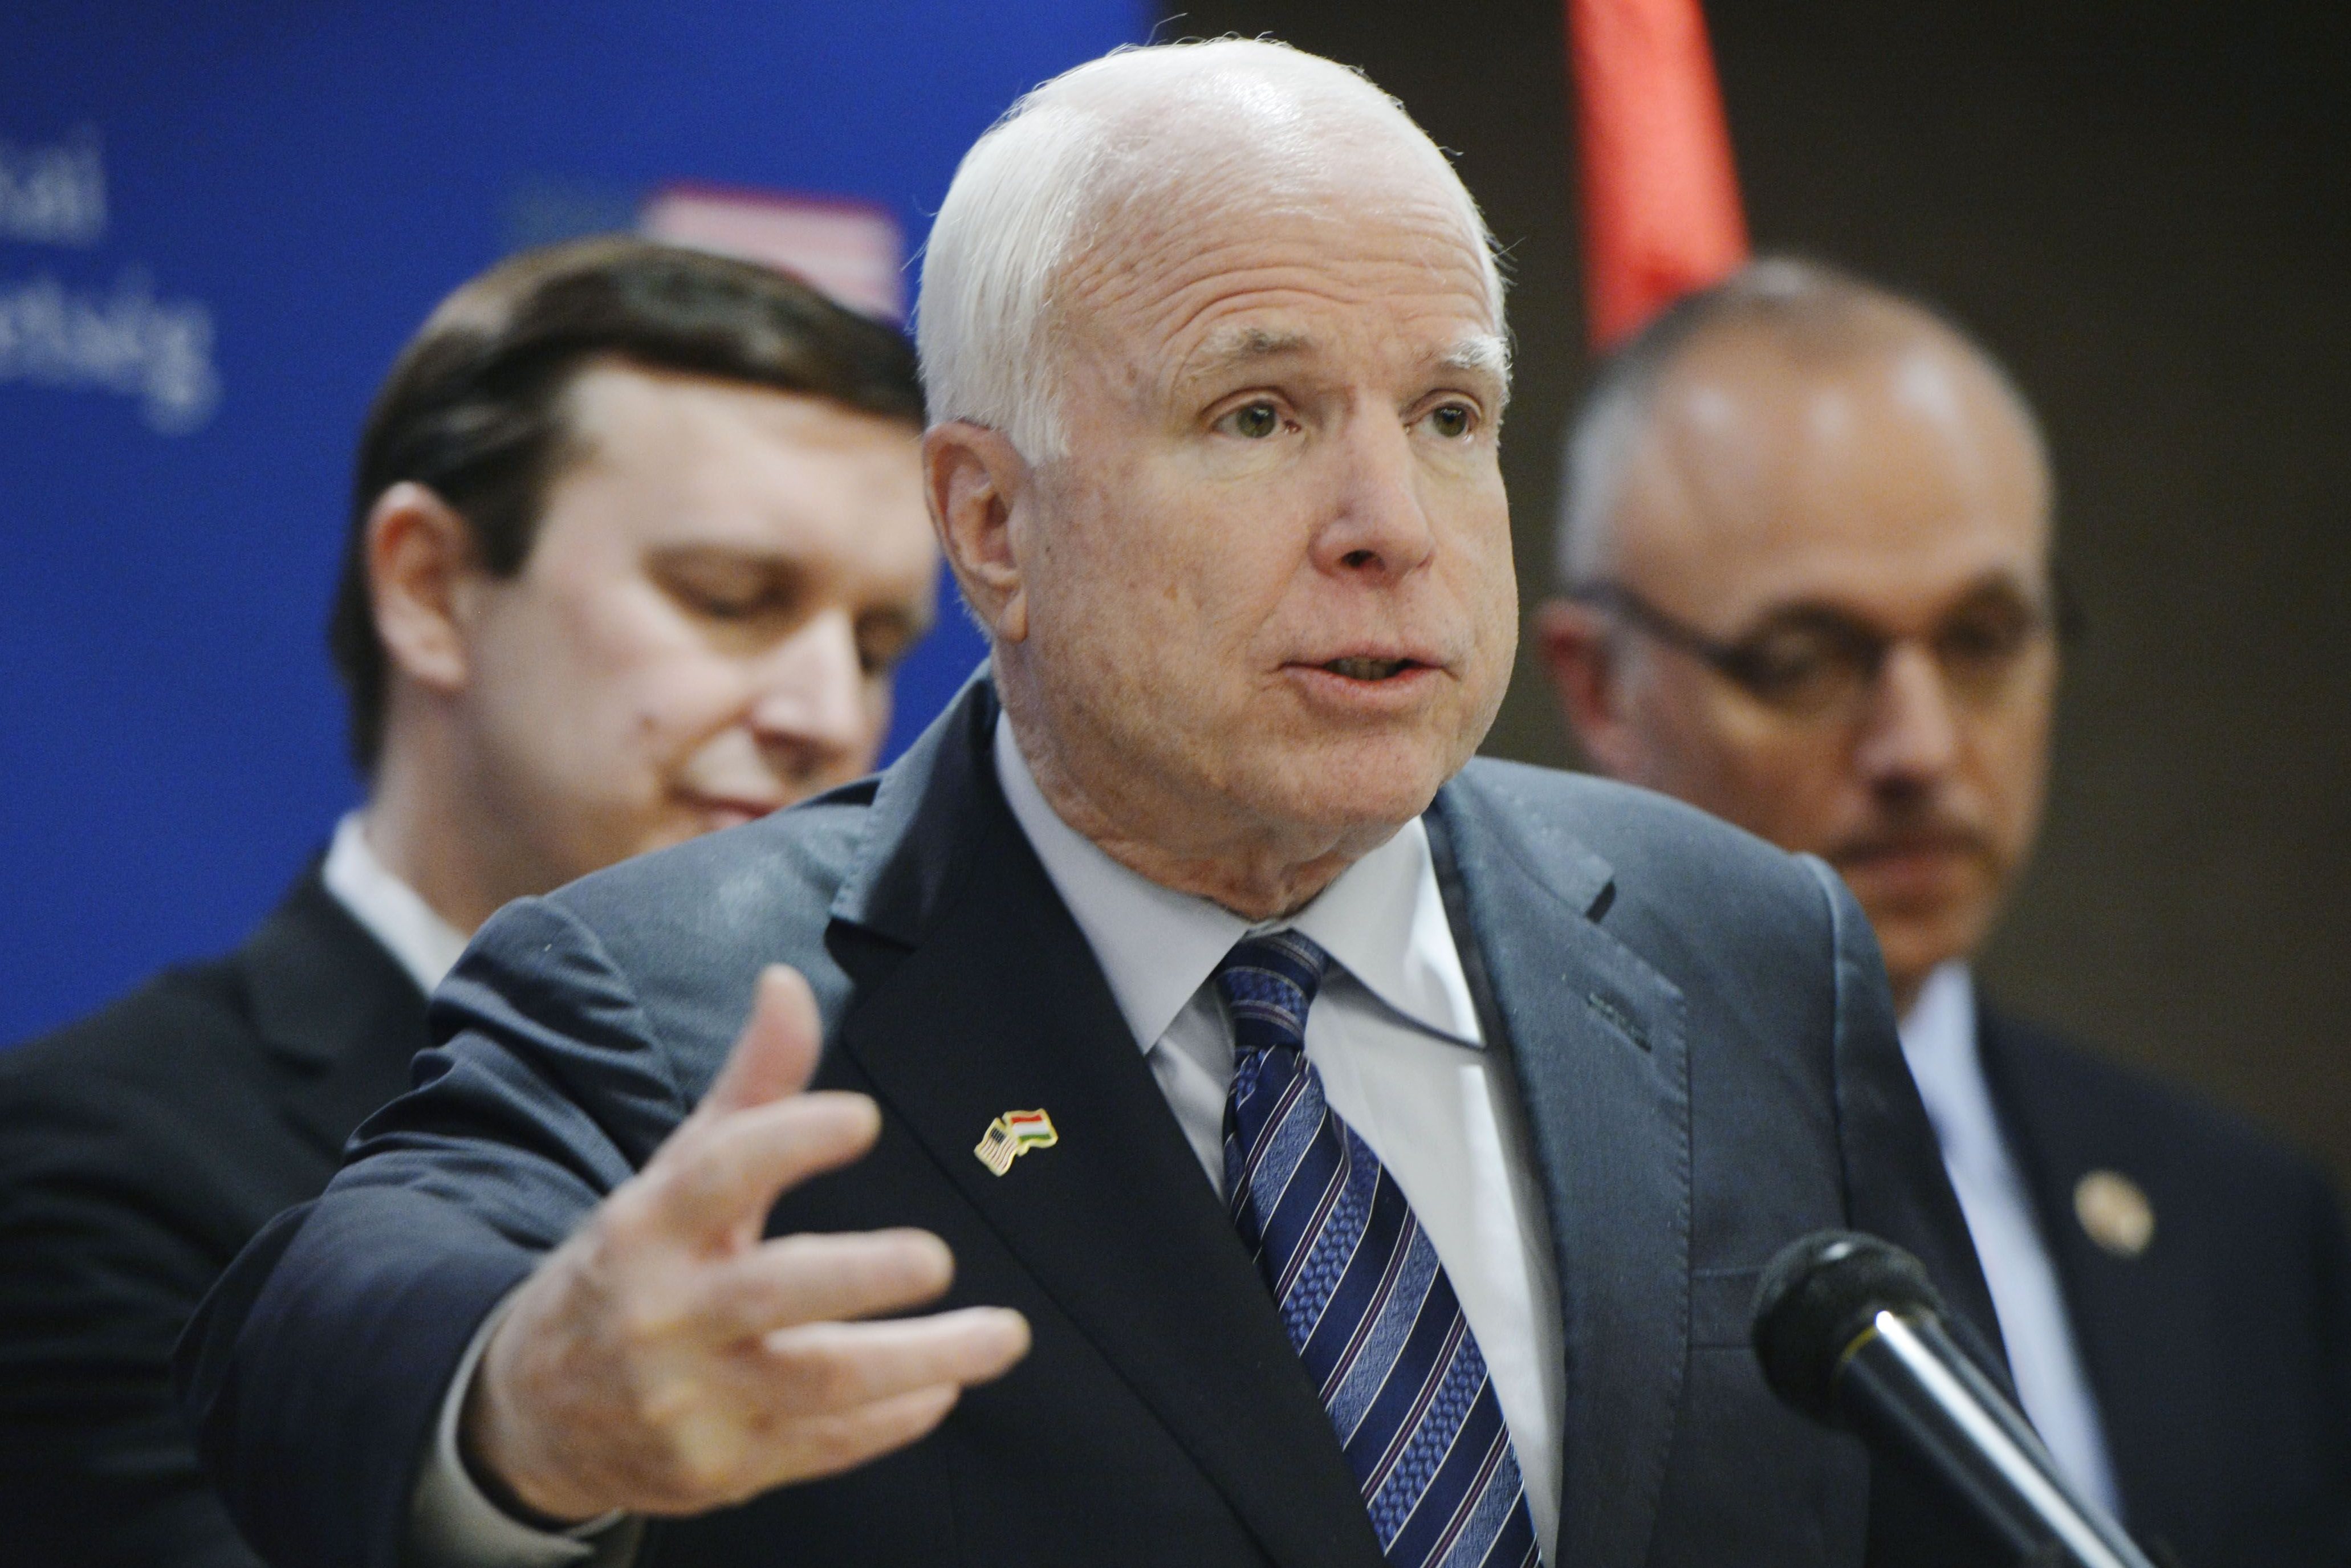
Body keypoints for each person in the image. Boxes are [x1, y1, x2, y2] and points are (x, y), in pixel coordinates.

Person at [177, 44, 2000, 1568]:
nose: (1391, 520)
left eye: (1449, 415)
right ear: (988, 522)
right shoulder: (674, 1000)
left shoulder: (1745, 942)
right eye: (1259, 417)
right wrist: (524, 1405)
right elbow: (316, 1334)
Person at [0, 237, 939, 1568]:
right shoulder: (85, 1169)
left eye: (876, 643)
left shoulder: (932, 1134)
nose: (828, 715)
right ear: (431, 586)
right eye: (731, 599)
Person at [1537, 256, 2351, 1567]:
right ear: (1601, 686)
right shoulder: (1490, 1194)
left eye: (1981, 639)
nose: (1917, 745)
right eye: (1802, 659)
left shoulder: (2239, 1218)